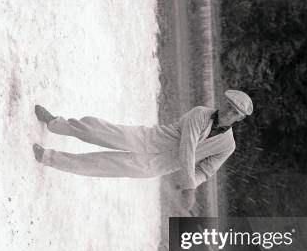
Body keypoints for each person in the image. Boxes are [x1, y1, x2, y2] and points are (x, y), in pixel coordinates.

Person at [33, 89, 253, 210]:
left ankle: (47, 157)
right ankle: (55, 123)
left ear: (240, 119)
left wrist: (189, 182)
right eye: (228, 106)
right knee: (96, 129)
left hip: (153, 166)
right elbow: (188, 148)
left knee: (98, 165)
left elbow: (205, 170)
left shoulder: (228, 146)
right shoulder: (200, 114)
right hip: (146, 139)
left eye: (235, 113)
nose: (229, 112)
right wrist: (189, 189)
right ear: (222, 102)